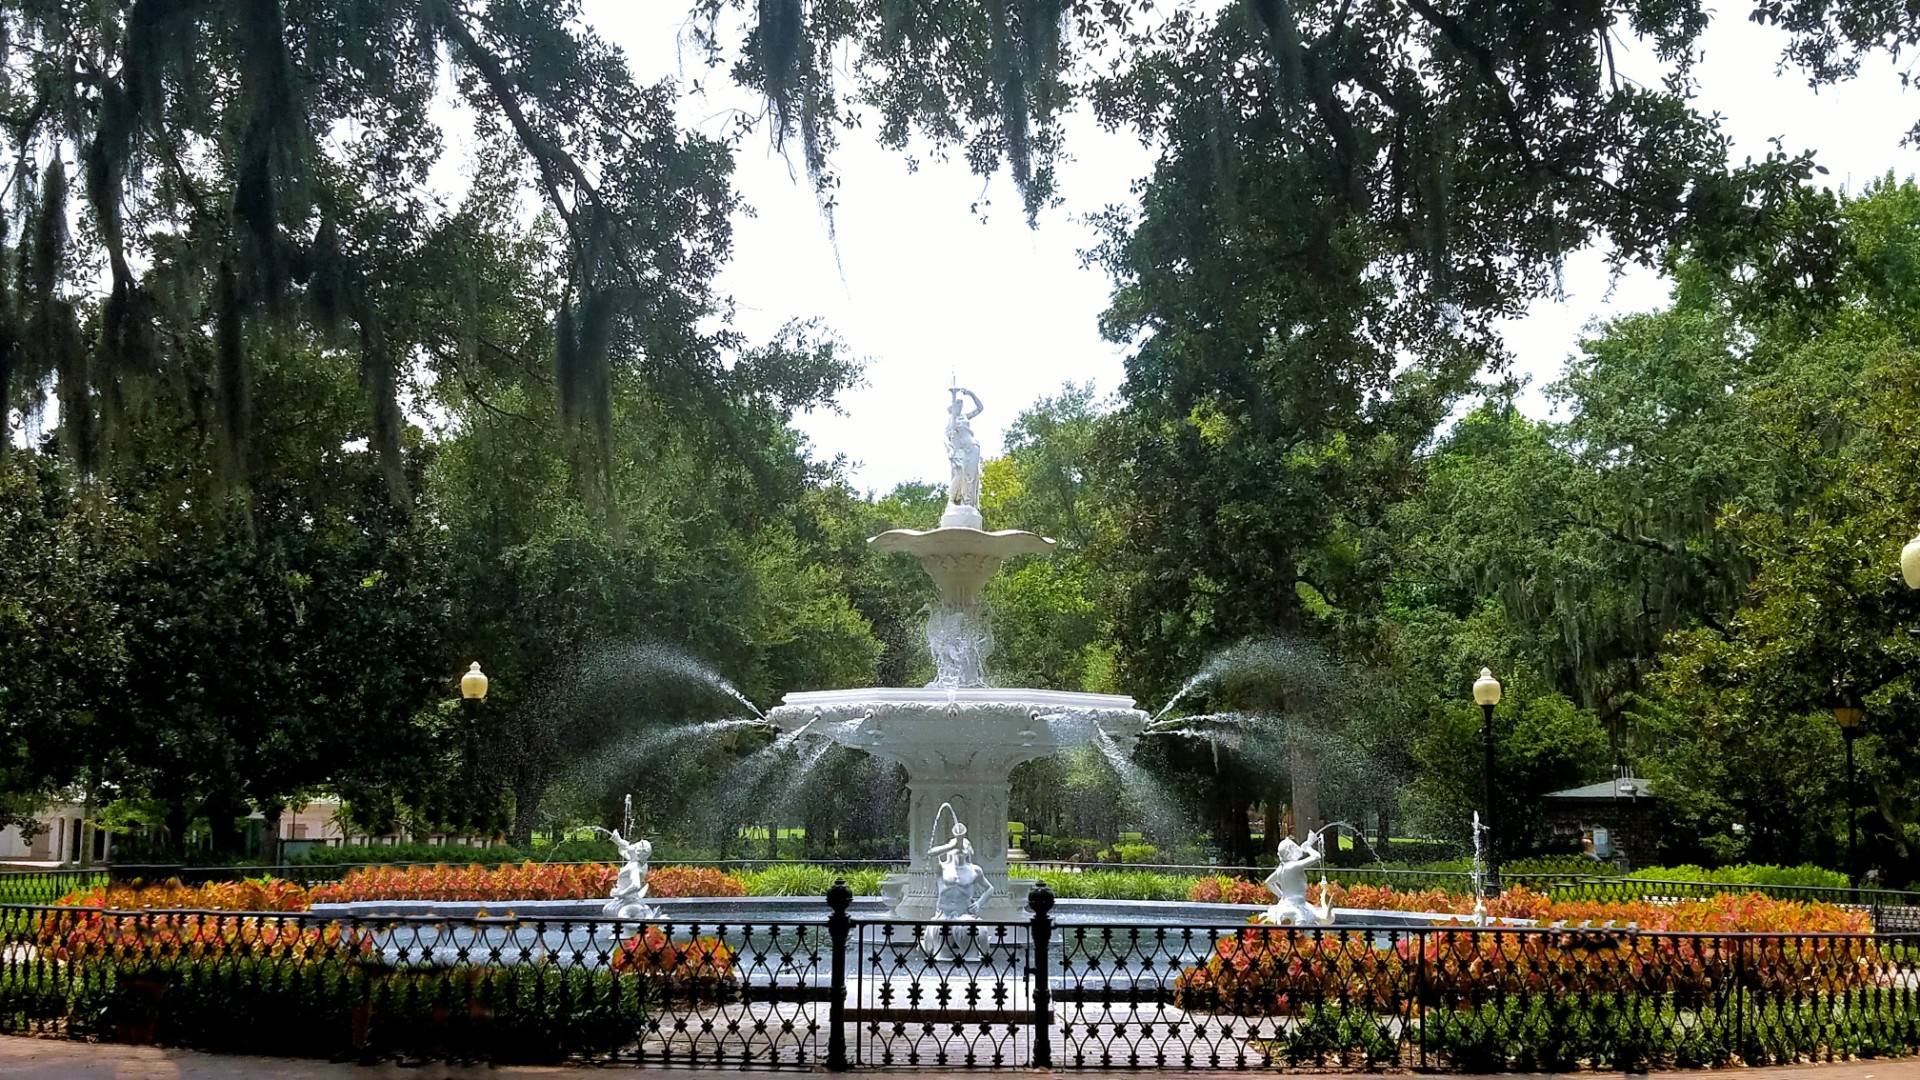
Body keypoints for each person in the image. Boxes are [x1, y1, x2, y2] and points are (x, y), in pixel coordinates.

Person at [945, 386, 984, 507]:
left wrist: (971, 394)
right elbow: (948, 438)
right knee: (960, 474)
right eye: (957, 405)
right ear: (952, 408)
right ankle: (954, 500)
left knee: (971, 476)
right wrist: (951, 451)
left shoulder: (965, 417)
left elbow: (980, 408)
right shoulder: (951, 421)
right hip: (960, 450)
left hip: (973, 446)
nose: (960, 407)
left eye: (961, 406)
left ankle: (968, 503)